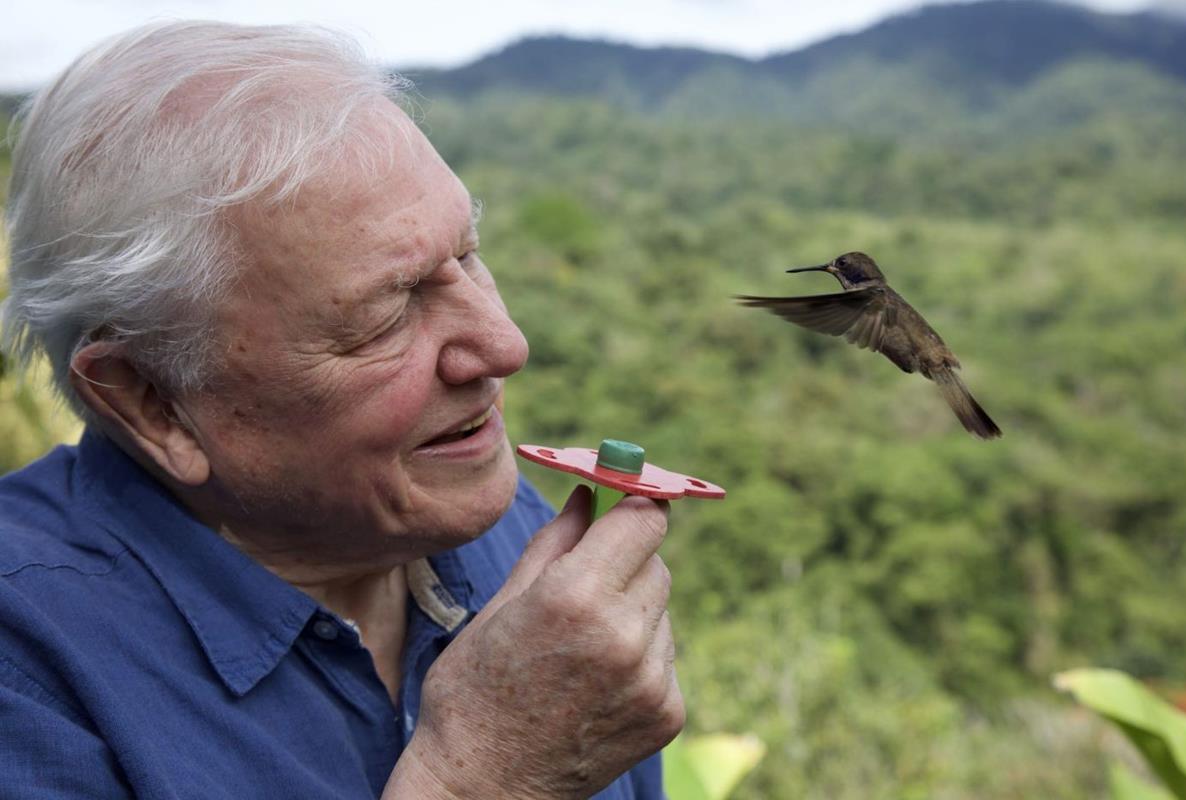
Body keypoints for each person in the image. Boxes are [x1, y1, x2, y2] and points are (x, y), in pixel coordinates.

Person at [0, 21, 682, 799]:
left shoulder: (524, 548)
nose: (503, 346)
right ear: (152, 401)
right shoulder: (27, 675)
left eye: (468, 256)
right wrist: (483, 778)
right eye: (385, 316)